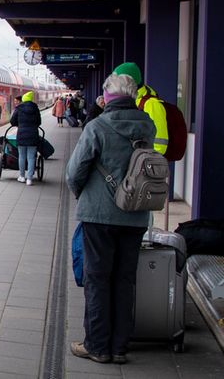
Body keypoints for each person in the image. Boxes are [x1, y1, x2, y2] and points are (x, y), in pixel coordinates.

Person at [65, 73, 156, 365]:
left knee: (98, 279)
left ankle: (97, 345)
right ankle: (119, 347)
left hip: (99, 216)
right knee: (124, 280)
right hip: (136, 214)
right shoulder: (147, 125)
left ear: (107, 96)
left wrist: (84, 196)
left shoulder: (97, 126)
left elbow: (74, 172)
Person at [113, 62, 168, 155]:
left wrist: (147, 160)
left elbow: (160, 142)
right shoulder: (132, 101)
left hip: (144, 161)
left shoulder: (151, 104)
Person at [10, 91, 41, 186]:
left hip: (22, 135)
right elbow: (39, 122)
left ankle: (22, 176)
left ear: (23, 100)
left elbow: (12, 121)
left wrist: (20, 124)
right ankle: (29, 179)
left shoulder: (18, 108)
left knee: (22, 156)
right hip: (33, 135)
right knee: (31, 157)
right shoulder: (35, 108)